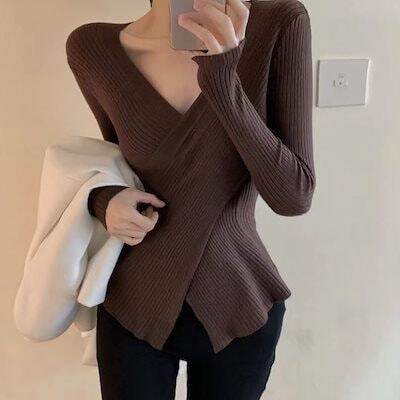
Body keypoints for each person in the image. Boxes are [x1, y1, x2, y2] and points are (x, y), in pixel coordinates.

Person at [66, 0, 316, 398]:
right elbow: (115, 165)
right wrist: (104, 201)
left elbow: (294, 196)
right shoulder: (95, 48)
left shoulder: (278, 23)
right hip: (133, 303)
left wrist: (223, 79)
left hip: (238, 302)